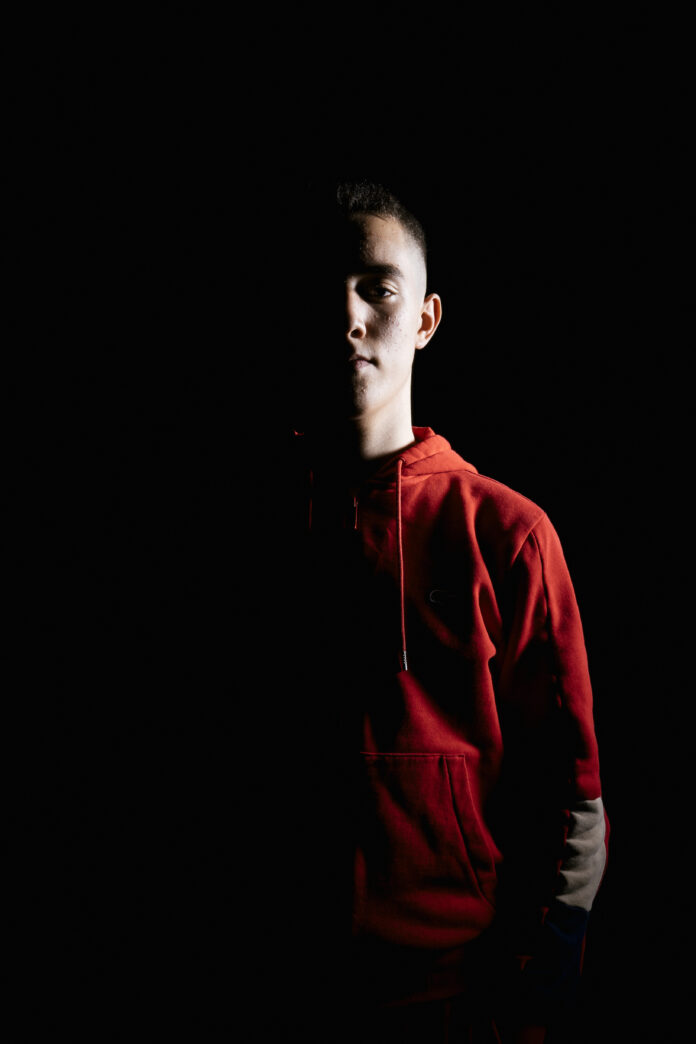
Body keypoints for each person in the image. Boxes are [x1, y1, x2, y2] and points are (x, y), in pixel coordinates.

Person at [267, 180, 608, 1044]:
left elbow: (572, 798)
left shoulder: (508, 533)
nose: (349, 316)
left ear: (424, 319)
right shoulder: (252, 523)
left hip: (452, 1000)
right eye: (327, 291)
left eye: (377, 288)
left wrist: (534, 999)